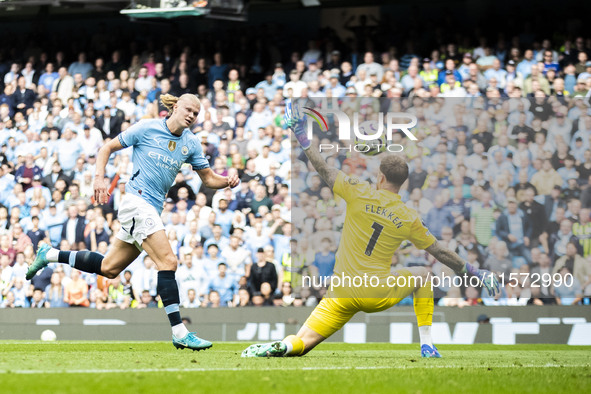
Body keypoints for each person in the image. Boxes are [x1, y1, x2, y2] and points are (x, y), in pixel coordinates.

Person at [242, 100, 499, 359]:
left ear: (380, 177)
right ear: (403, 183)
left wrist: (300, 133)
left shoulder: (359, 191)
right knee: (423, 275)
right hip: (376, 291)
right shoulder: (408, 216)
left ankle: (287, 345)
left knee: (302, 341)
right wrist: (474, 271)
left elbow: (323, 168)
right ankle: (428, 345)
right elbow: (440, 252)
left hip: (341, 291)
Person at [26, 93, 239, 350]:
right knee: (168, 261)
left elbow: (208, 179)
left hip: (151, 209)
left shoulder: (191, 143)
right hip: (136, 202)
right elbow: (106, 148)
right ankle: (180, 332)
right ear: (175, 107)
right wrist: (98, 178)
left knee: (109, 268)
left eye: (196, 113)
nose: (192, 115)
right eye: (189, 109)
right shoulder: (146, 127)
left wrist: (227, 180)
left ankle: (50, 254)